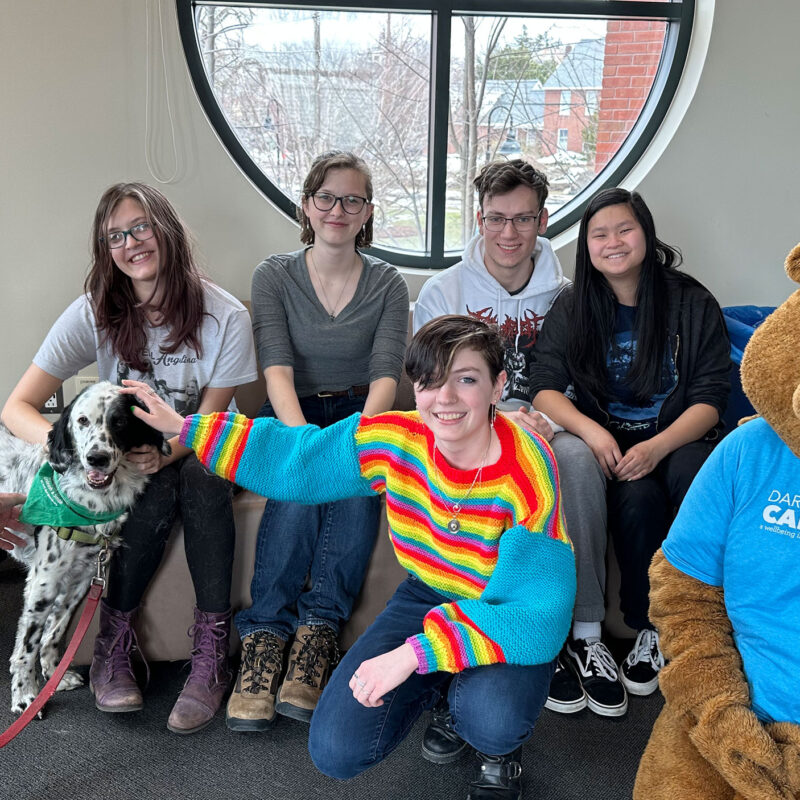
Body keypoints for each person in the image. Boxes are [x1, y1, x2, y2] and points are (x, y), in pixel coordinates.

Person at [124, 315, 575, 800]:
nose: (444, 399)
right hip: (427, 593)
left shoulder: (528, 466)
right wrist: (187, 427)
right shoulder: (396, 439)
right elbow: (300, 458)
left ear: (497, 385)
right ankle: (447, 685)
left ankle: (492, 741)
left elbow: (539, 613)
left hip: (500, 605)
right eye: (430, 382)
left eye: (466, 380)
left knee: (492, 721)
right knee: (335, 748)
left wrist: (413, 654)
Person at [0, 182, 258, 734]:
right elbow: (17, 406)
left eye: (140, 226)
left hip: (192, 447)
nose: (131, 242)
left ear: (165, 229)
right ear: (105, 250)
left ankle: (210, 655)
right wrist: (64, 448)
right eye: (115, 235)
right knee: (150, 486)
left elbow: (208, 423)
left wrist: (161, 458)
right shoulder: (94, 311)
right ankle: (114, 638)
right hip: (130, 461)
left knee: (203, 475)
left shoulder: (226, 316)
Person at [415, 159, 623, 727]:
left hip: (551, 423)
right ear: (480, 219)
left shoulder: (570, 294)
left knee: (575, 462)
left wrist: (552, 422)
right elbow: (434, 391)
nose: (510, 234)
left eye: (524, 219)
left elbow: (584, 378)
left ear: (544, 220)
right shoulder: (443, 292)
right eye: (497, 219)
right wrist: (499, 425)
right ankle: (498, 625)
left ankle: (582, 631)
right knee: (485, 470)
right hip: (472, 431)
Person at [227, 151, 409, 730]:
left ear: (367, 213)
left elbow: (387, 375)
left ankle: (318, 634)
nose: (338, 209)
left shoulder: (388, 283)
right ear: (307, 205)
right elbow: (275, 366)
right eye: (326, 197)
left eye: (352, 200)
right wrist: (305, 442)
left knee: (355, 487)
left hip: (365, 409)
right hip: (292, 406)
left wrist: (352, 443)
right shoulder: (273, 275)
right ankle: (264, 635)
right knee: (296, 485)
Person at [530, 187, 730, 696]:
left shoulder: (690, 300)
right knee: (636, 500)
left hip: (680, 439)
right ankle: (646, 628)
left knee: (695, 475)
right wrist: (594, 433)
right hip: (613, 446)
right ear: (587, 248)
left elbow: (711, 396)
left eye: (625, 229)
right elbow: (545, 387)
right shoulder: (574, 307)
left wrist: (657, 447)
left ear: (645, 233)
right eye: (600, 234)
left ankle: (699, 624)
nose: (613, 242)